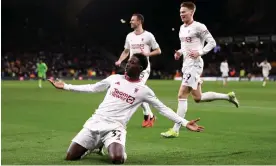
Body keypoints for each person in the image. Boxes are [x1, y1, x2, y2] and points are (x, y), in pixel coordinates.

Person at [48, 53, 204, 164]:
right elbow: (92, 88)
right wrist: (66, 86)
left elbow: (162, 109)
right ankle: (95, 145)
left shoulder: (143, 90)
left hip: (115, 128)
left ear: (141, 68)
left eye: (133, 62)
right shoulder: (114, 78)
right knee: (70, 157)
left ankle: (104, 143)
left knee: (117, 159)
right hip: (95, 123)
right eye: (129, 61)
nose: (128, 63)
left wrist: (184, 123)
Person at [161, 2, 239, 138]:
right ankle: (228, 96)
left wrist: (200, 52)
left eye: (184, 12)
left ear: (192, 12)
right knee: (198, 97)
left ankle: (175, 129)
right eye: (180, 12)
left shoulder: (199, 26)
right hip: (186, 64)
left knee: (181, 95)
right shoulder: (181, 28)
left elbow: (212, 42)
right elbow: (185, 46)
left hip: (194, 64)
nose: (181, 14)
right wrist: (179, 53)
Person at [115, 13, 162, 128]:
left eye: (132, 20)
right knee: (135, 92)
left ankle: (147, 116)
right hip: (131, 68)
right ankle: (149, 115)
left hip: (143, 68)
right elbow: (126, 51)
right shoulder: (129, 36)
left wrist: (148, 53)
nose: (130, 22)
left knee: (136, 91)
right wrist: (120, 60)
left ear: (139, 21)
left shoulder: (148, 36)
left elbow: (158, 50)